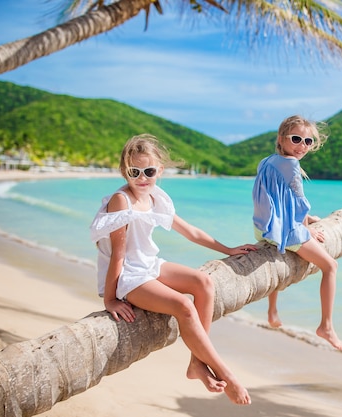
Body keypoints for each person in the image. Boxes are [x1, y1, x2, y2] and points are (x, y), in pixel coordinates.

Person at [90, 134, 256, 405]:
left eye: (149, 171)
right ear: (124, 171)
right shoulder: (121, 201)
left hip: (150, 265)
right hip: (129, 276)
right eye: (134, 172)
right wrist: (109, 298)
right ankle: (226, 373)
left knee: (203, 283)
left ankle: (196, 364)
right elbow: (118, 255)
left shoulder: (156, 197)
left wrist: (228, 249)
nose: (142, 178)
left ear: (160, 171)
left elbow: (190, 232)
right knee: (183, 306)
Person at [252, 115, 342, 350]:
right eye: (296, 139)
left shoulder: (267, 161)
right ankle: (326, 326)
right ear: (282, 139)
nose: (301, 145)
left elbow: (276, 199)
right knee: (330, 266)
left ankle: (272, 311)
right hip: (287, 232)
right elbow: (299, 202)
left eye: (308, 141)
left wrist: (305, 220)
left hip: (263, 228)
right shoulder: (291, 165)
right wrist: (306, 228)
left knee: (277, 259)